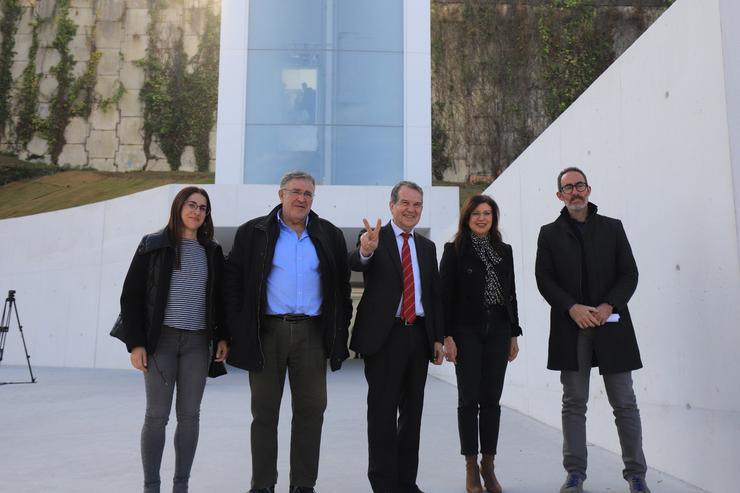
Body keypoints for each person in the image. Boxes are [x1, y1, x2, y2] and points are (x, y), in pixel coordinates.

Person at [223, 171, 352, 493]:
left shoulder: (330, 235)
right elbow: (233, 285)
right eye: (295, 192)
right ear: (280, 194)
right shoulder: (253, 232)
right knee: (264, 413)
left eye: (308, 193)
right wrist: (236, 330)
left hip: (312, 334)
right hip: (267, 333)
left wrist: (339, 332)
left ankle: (303, 486)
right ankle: (263, 485)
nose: (302, 199)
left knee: (311, 412)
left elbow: (342, 289)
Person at [535, 167, 650, 493]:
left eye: (579, 185)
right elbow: (544, 279)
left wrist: (608, 305)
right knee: (574, 403)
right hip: (571, 329)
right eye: (568, 187)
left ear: (589, 188)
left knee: (624, 402)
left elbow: (629, 274)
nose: (575, 191)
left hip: (611, 326)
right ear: (560, 195)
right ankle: (575, 475)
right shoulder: (549, 233)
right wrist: (572, 308)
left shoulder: (613, 228)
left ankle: (636, 475)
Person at [119, 186, 229, 493]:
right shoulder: (153, 244)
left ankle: (181, 486)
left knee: (190, 417)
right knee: (156, 416)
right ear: (179, 207)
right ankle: (151, 487)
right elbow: (132, 296)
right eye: (191, 205)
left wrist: (223, 337)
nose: (196, 211)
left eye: (203, 207)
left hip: (197, 343)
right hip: (161, 343)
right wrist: (136, 343)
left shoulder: (212, 250)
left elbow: (219, 299)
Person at [349, 180, 445, 493]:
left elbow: (433, 296)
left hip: (418, 336)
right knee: (382, 415)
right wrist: (366, 248)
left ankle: (406, 482)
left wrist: (438, 338)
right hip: (384, 338)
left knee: (412, 415)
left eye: (417, 205)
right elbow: (356, 261)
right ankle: (383, 483)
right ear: (391, 205)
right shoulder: (376, 238)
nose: (411, 210)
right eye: (405, 203)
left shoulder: (427, 247)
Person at [440, 195, 522, 493]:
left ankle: (489, 464)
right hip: (466, 331)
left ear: (493, 218)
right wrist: (447, 336)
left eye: (487, 213)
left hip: (499, 330)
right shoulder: (454, 250)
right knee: (468, 400)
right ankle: (471, 467)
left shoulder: (505, 251)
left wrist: (514, 333)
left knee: (491, 400)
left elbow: (510, 292)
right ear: (467, 217)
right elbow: (444, 297)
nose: (482, 218)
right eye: (476, 213)